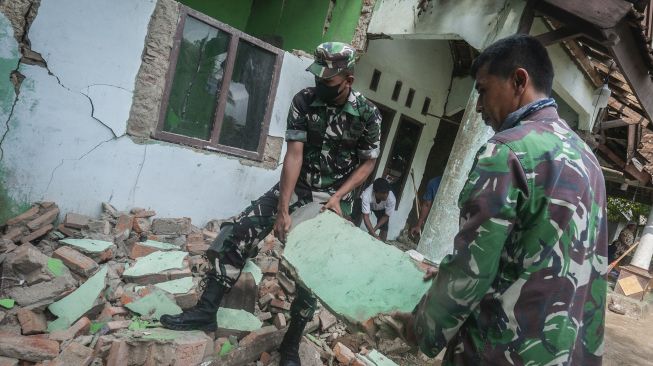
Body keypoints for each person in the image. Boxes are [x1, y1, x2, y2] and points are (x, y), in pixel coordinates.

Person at [160, 42, 381, 366]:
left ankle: (290, 345)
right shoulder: (305, 101)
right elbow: (294, 154)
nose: (319, 87)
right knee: (239, 231)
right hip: (294, 187)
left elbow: (367, 163)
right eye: (317, 79)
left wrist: (337, 197)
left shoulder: (367, 115)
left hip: (329, 199)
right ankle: (206, 312)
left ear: (349, 78)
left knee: (311, 270)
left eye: (328, 83)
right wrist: (281, 209)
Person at [392, 35, 607, 365]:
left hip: (501, 349)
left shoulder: (508, 150)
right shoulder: (587, 160)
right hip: (564, 352)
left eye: (482, 90)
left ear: (519, 80)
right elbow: (545, 254)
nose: (478, 107)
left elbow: (473, 266)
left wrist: (421, 327)